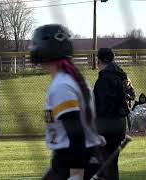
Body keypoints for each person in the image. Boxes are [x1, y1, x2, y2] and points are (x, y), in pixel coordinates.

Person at [29, 24, 104, 180]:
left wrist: (76, 174)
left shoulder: (62, 85)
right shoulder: (72, 79)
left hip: (75, 161)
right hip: (77, 158)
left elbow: (76, 135)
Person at [94, 48, 129, 180]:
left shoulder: (105, 79)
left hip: (107, 126)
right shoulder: (120, 75)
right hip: (118, 124)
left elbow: (103, 105)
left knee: (104, 166)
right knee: (111, 165)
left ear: (100, 60)